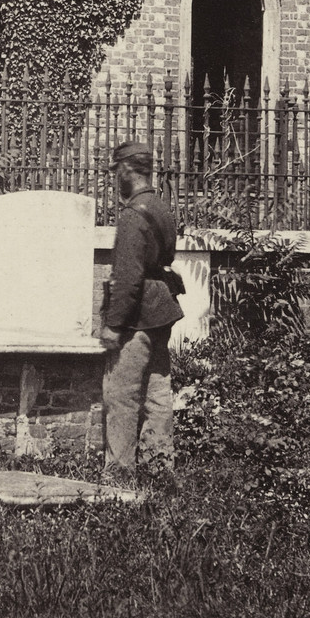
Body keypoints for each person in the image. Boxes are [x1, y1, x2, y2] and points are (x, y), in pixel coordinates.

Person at [99, 140, 183, 482]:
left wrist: (113, 325)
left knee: (121, 394)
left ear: (126, 170)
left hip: (138, 318)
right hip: (162, 309)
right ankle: (159, 468)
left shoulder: (135, 214)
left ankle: (119, 477)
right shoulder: (161, 207)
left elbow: (128, 278)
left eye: (115, 171)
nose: (113, 178)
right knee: (158, 393)